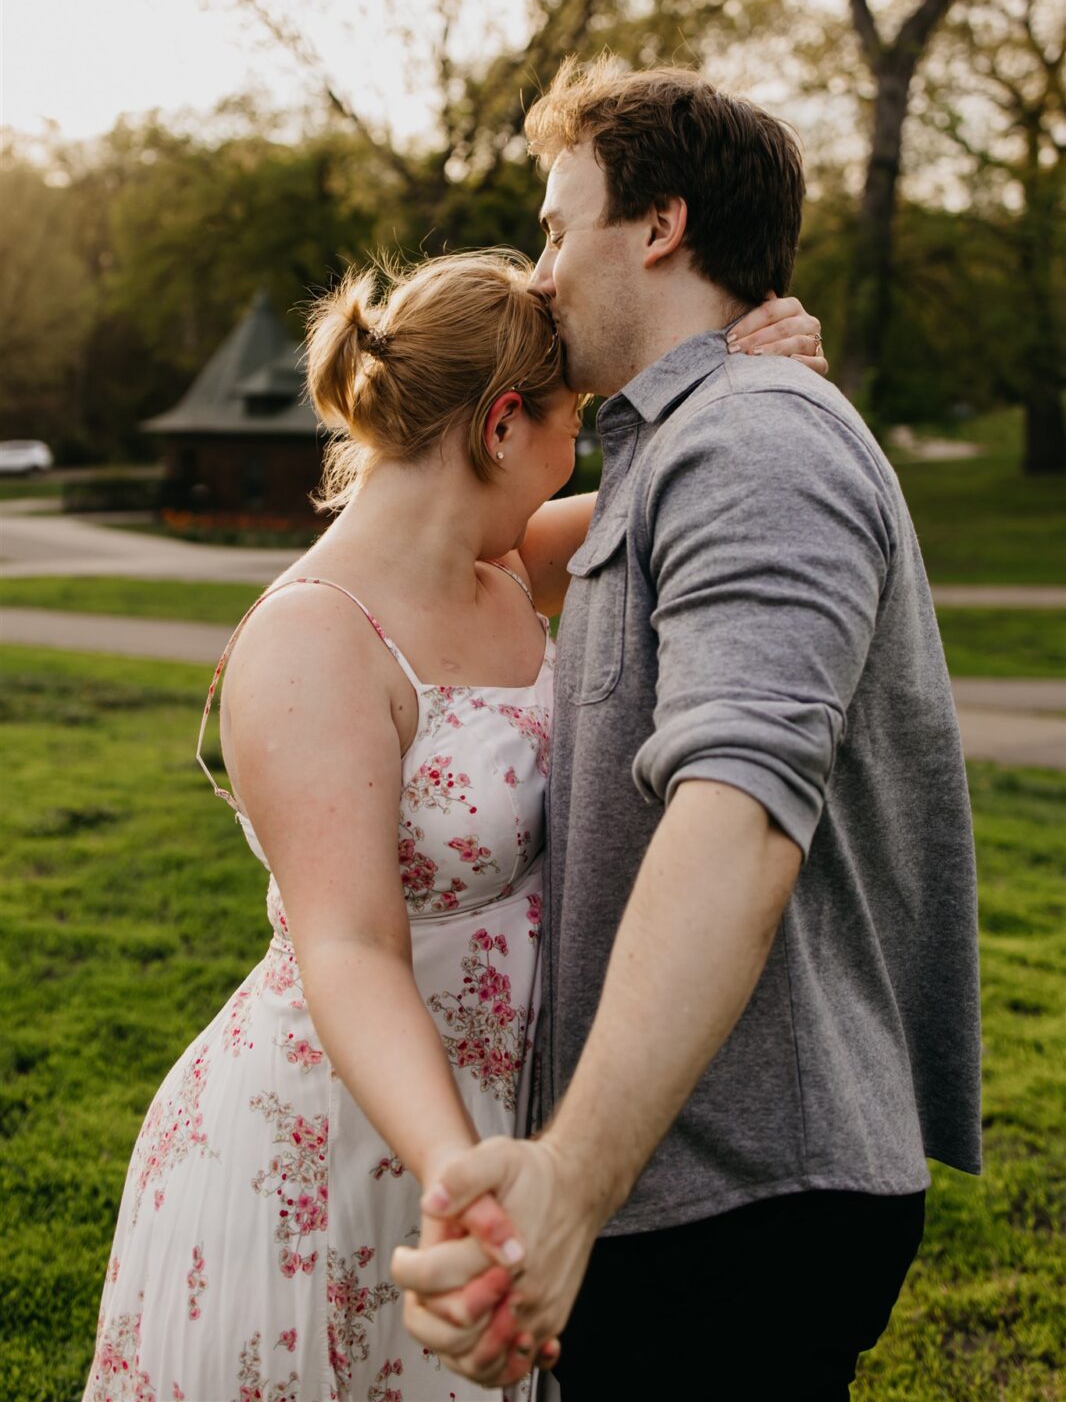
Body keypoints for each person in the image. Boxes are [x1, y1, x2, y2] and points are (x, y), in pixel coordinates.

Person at [82, 248, 822, 1402]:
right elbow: (348, 946)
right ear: (502, 424)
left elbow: (673, 484)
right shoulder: (314, 639)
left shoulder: (503, 574)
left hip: (486, 1117)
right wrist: (460, 1178)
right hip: (339, 1142)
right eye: (571, 423)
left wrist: (739, 373)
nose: (575, 455)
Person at [394, 61, 983, 1401]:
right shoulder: (682, 446)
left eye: (556, 226)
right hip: (685, 1187)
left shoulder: (755, 446)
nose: (537, 273)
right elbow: (436, 560)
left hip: (739, 1195)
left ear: (656, 226)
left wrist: (570, 1177)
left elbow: (738, 817)